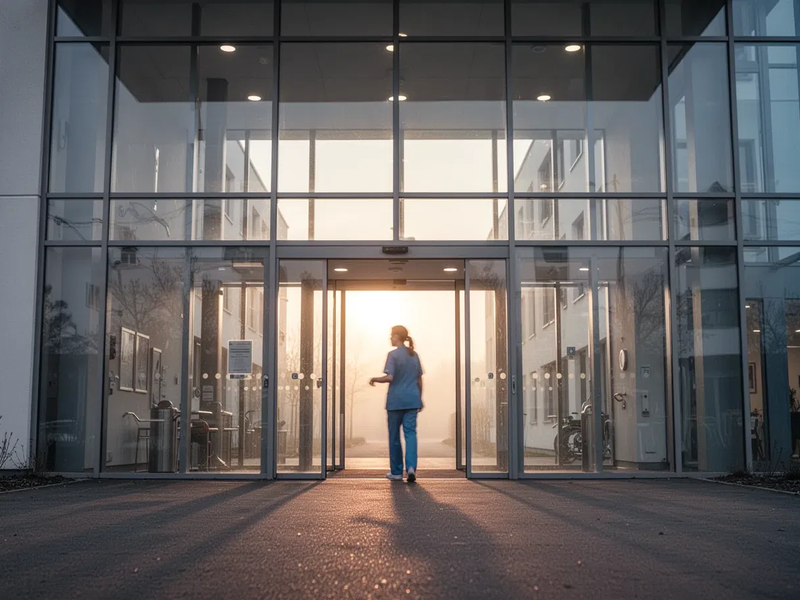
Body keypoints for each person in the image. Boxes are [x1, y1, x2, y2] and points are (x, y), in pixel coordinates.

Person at [370, 325, 423, 482]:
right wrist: (420, 398)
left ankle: (397, 472)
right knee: (411, 434)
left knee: (394, 437)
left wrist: (374, 379)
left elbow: (390, 377)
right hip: (412, 400)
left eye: (391, 336)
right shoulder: (414, 355)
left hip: (395, 402)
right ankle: (411, 467)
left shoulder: (392, 355)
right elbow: (419, 379)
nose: (390, 338)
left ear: (397, 337)